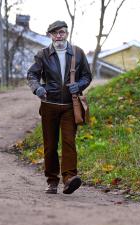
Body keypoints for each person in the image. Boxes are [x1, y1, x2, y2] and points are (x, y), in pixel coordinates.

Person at [27, 20, 92, 194]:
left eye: (61, 32)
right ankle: (52, 181)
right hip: (49, 105)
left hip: (70, 106)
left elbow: (87, 76)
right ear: (50, 36)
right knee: (50, 145)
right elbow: (32, 75)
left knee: (69, 142)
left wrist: (79, 85)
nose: (58, 36)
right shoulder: (42, 55)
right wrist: (37, 88)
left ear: (67, 33)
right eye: (55, 33)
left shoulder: (78, 53)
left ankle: (70, 178)